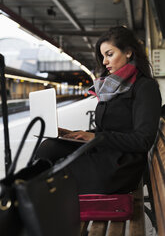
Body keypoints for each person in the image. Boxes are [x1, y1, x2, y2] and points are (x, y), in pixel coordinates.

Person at [35, 26, 161, 194]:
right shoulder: (113, 86)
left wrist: (95, 137)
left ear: (128, 52)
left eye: (109, 54)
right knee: (49, 147)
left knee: (58, 174)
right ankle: (32, 200)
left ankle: (36, 206)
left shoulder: (145, 87)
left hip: (122, 163)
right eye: (103, 56)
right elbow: (108, 130)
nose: (104, 62)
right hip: (105, 150)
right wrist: (76, 134)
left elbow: (143, 140)